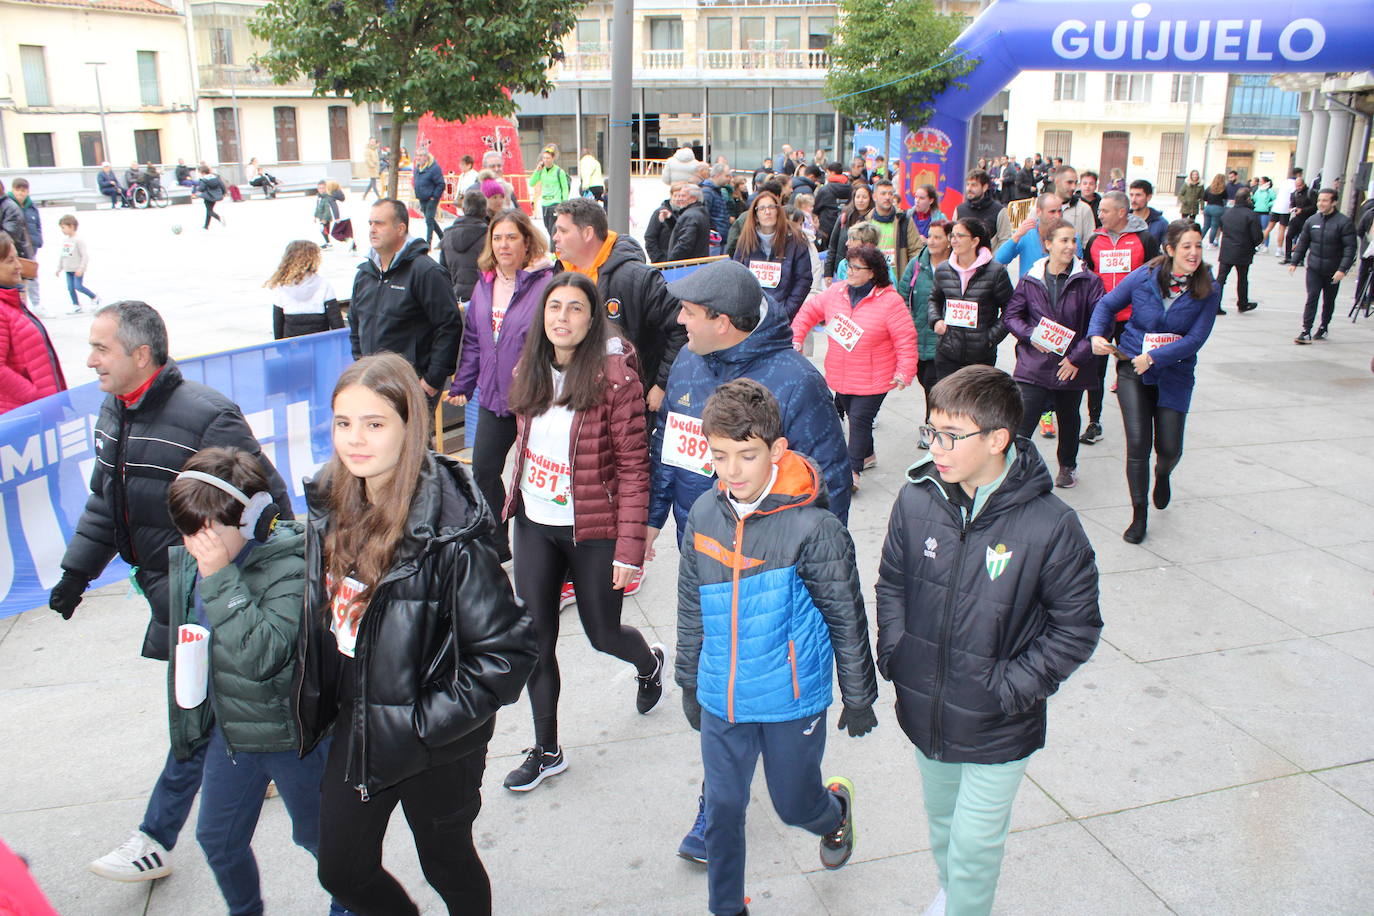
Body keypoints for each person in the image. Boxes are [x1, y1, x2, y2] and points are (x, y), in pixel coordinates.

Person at [51, 301, 291, 882]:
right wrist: (75, 574)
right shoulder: (114, 409)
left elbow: (269, 506)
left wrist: (246, 587)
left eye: (100, 349)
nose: (90, 361)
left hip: (209, 591)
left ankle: (155, 838)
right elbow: (104, 503)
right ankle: (260, 763)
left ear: (140, 354)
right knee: (212, 711)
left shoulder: (209, 417)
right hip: (164, 588)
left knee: (195, 710)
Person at [300, 352, 536, 915]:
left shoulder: (450, 528)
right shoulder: (327, 503)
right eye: (343, 423)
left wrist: (418, 723)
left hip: (435, 745)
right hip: (354, 724)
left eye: (374, 423)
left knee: (446, 861)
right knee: (342, 870)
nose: (355, 439)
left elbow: (508, 653)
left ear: (410, 425)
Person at [875, 364, 1101, 916]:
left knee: (975, 844)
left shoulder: (1052, 526)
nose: (938, 447)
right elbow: (892, 583)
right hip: (926, 705)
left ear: (998, 439)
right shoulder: (916, 498)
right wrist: (898, 653)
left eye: (951, 436)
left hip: (999, 720)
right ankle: (953, 894)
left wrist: (1007, 688)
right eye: (931, 431)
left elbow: (1077, 627)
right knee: (944, 824)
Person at [677, 378, 878, 916]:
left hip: (791, 700)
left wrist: (859, 696)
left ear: (777, 450)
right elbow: (691, 605)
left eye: (747, 456)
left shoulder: (815, 529)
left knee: (794, 804)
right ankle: (727, 908)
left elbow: (846, 616)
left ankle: (833, 813)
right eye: (721, 456)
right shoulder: (702, 515)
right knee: (722, 807)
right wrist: (689, 679)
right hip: (723, 697)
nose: (733, 471)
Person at [163, 447, 347, 916]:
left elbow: (260, 654)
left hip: (290, 735)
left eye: (206, 533)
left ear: (251, 521)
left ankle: (351, 905)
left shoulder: (290, 564)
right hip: (233, 733)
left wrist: (219, 577)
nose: (194, 545)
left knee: (320, 839)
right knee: (218, 840)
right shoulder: (205, 557)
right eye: (187, 533)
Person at [501, 272, 665, 791]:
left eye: (575, 308)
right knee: (535, 640)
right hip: (534, 525)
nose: (562, 317)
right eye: (555, 307)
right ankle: (547, 749)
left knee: (602, 633)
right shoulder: (529, 368)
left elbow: (637, 467)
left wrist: (630, 548)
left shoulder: (615, 379)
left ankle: (647, 661)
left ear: (592, 320)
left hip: (593, 528)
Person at [1088, 220, 1219, 543]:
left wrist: (1156, 357)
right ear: (1170, 249)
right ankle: (1139, 515)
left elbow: (1196, 338)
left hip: (1174, 373)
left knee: (1170, 449)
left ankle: (1163, 473)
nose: (1194, 253)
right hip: (1133, 366)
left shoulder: (1208, 288)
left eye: (1198, 246)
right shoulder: (1144, 276)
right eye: (1187, 246)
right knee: (1138, 445)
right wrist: (1095, 335)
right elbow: (1107, 304)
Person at [446, 207, 554, 562]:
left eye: (512, 237)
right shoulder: (484, 284)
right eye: (498, 238)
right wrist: (463, 383)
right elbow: (476, 339)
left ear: (527, 242)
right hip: (494, 398)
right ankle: (497, 545)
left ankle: (543, 547)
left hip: (535, 399)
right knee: (484, 470)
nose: (504, 245)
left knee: (536, 476)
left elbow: (556, 340)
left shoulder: (544, 284)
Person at [790, 244, 917, 490]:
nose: (850, 271)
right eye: (849, 266)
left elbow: (905, 338)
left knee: (859, 419)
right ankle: (867, 455)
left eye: (857, 268)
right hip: (841, 373)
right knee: (851, 413)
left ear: (872, 272)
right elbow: (808, 312)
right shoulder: (835, 293)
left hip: (876, 376)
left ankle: (852, 471)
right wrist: (797, 337)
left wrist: (904, 371)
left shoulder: (890, 301)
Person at [551, 197, 685, 421]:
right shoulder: (561, 272)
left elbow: (680, 325)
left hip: (625, 406)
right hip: (577, 398)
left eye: (563, 231)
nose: (555, 237)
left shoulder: (635, 278)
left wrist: (662, 383)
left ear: (587, 233)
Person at [1004, 217, 1104, 489]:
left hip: (1071, 365)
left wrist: (1077, 358)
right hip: (1034, 364)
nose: (1071, 246)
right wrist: (1030, 335)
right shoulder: (1031, 279)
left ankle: (1067, 467)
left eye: (1073, 240)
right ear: (1047, 244)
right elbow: (1012, 316)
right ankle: (1016, 472)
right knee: (1023, 423)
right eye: (1064, 240)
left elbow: (1098, 324)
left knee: (1069, 419)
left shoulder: (1090, 281)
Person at [350, 199, 462, 405]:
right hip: (373, 383)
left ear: (401, 228)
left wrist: (431, 380)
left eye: (379, 223)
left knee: (410, 439)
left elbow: (449, 326)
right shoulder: (364, 275)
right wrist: (361, 364)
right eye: (370, 223)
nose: (372, 229)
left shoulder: (425, 272)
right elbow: (355, 323)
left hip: (412, 387)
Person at [1079, 191, 1160, 447]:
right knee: (1096, 371)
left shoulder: (1143, 238)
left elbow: (1155, 274)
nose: (1099, 215)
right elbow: (1089, 274)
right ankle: (1094, 421)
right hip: (1103, 315)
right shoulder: (1095, 240)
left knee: (1131, 370)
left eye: (1104, 211)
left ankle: (1140, 420)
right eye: (1099, 210)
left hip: (1133, 318)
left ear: (1121, 213)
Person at [928, 216, 1013, 380]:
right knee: (947, 403)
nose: (954, 240)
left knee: (975, 404)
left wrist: (990, 338)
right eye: (952, 236)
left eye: (960, 236)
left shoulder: (995, 272)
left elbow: (1011, 308)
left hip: (980, 356)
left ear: (974, 241)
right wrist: (936, 320)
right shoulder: (943, 269)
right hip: (947, 352)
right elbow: (934, 299)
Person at [1, 230, 65, 411]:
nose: (18, 266)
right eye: (10, 261)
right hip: (21, 413)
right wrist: (36, 397)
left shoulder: (10, 302)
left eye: (17, 258)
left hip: (37, 409)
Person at [897, 218, 949, 425]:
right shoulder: (917, 264)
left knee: (936, 384)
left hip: (945, 338)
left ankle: (933, 423)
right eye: (930, 236)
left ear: (949, 241)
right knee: (926, 380)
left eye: (938, 237)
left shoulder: (956, 267)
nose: (932, 241)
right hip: (919, 333)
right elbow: (902, 295)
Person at [1288, 188, 1357, 344]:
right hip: (1314, 268)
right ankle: (1306, 331)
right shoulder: (1312, 221)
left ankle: (1324, 326)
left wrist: (1342, 269)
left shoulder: (1343, 222)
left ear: (1334, 202)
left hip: (1333, 270)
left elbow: (1350, 249)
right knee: (1312, 297)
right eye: (1319, 200)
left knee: (1329, 300)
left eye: (1325, 200)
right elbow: (1303, 243)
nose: (1321, 203)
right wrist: (1294, 261)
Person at [731, 189, 813, 322]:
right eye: (762, 208)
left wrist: (786, 311)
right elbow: (738, 277)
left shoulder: (796, 239)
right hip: (751, 316)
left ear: (778, 211)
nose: (767, 212)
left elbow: (803, 279)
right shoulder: (745, 240)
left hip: (783, 315)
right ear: (756, 215)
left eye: (771, 207)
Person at [266, 240, 342, 339]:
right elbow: (336, 321)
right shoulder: (323, 285)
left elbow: (278, 323)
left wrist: (280, 347)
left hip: (292, 346)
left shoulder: (281, 287)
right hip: (320, 344)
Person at [1216, 187, 1264, 315]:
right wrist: (1253, 245)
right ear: (1248, 199)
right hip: (1243, 250)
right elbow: (1257, 237)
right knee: (1242, 278)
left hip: (1227, 250)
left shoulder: (1227, 213)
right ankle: (1242, 303)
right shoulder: (1251, 215)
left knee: (1221, 279)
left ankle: (1215, 305)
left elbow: (1222, 228)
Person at [439, 188, 490, 305]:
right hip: (483, 298)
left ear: (463, 209)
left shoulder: (446, 236)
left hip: (455, 297)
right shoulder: (490, 236)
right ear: (485, 211)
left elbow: (442, 273)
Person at [994, 192, 1063, 277]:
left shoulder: (1070, 235)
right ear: (1038, 212)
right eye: (1052, 212)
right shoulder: (1026, 233)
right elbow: (1000, 259)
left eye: (1060, 211)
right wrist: (1017, 236)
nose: (1057, 216)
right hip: (1029, 288)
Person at [868, 179, 924, 278]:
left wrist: (911, 276)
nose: (887, 197)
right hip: (872, 279)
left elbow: (916, 251)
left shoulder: (904, 220)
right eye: (883, 194)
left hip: (898, 281)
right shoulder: (866, 221)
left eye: (890, 194)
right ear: (874, 197)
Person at [825, 183, 874, 280]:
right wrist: (828, 272)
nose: (860, 200)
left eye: (864, 197)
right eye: (858, 197)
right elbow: (833, 246)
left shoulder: (873, 220)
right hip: (842, 269)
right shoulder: (844, 218)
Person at [6, 179, 42, 313]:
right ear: (13, 190)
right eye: (18, 190)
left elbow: (37, 225)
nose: (21, 193)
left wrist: (38, 240)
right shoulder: (9, 205)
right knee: (17, 282)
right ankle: (21, 308)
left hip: (30, 248)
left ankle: (35, 305)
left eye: (24, 190)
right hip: (14, 250)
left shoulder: (31, 206)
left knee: (31, 278)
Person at [55, 215, 99, 314]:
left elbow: (85, 256)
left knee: (78, 286)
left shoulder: (78, 240)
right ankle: (76, 304)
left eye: (63, 227)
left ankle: (94, 297)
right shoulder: (66, 241)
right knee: (70, 288)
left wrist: (81, 268)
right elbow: (63, 255)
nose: (62, 230)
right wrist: (59, 268)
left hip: (77, 269)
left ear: (72, 226)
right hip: (68, 269)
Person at [956, 169, 1009, 249]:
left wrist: (994, 260)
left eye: (974, 185)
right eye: (967, 185)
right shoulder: (959, 210)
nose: (969, 189)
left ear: (985, 187)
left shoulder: (999, 211)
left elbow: (1005, 240)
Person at [528, 146, 572, 240]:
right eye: (544, 158)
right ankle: (555, 246)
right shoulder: (541, 171)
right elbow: (531, 183)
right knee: (547, 227)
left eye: (548, 158)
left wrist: (564, 203)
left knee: (554, 229)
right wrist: (537, 171)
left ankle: (554, 249)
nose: (545, 160)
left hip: (555, 203)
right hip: (545, 204)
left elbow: (564, 188)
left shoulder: (559, 171)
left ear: (553, 158)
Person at [667, 183, 713, 262]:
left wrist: (671, 260)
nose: (679, 199)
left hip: (687, 266)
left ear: (693, 199)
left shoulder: (690, 216)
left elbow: (685, 243)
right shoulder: (700, 212)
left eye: (683, 196)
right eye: (679, 195)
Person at [1051, 166, 1095, 247]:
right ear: (1057, 181)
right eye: (1069, 182)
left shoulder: (1084, 209)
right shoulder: (1041, 205)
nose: (1073, 187)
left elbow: (1089, 244)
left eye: (1075, 183)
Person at [813, 162, 852, 250]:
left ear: (831, 173)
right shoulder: (851, 188)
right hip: (845, 226)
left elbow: (815, 209)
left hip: (826, 228)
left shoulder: (825, 190)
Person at [412, 150, 447, 247]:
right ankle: (443, 237)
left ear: (426, 157)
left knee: (429, 220)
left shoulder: (434, 168)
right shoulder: (417, 168)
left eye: (421, 155)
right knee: (430, 219)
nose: (418, 158)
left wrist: (434, 196)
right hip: (422, 198)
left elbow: (441, 184)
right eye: (417, 155)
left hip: (431, 198)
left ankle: (428, 243)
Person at [1284, 172, 1318, 264]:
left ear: (1303, 184)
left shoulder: (1310, 193)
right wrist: (1292, 208)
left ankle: (1301, 258)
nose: (1298, 188)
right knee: (1288, 236)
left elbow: (1314, 207)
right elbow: (1292, 203)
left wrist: (1302, 210)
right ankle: (1287, 256)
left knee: (1303, 239)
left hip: (1307, 219)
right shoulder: (1294, 193)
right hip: (1297, 218)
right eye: (1296, 186)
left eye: (1300, 186)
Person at [1128, 179, 1168, 247]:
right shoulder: (1122, 220)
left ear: (1148, 197)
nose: (1133, 200)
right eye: (1131, 195)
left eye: (1138, 195)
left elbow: (1167, 248)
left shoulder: (1161, 223)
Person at [699, 163, 731, 242]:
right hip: (714, 240)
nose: (729, 179)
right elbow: (703, 216)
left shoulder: (717, 191)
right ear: (718, 175)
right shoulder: (707, 192)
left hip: (719, 238)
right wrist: (715, 233)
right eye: (726, 176)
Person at [194, 165, 227, 230]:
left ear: (203, 172)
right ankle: (206, 225)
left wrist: (197, 190)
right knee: (209, 210)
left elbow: (202, 188)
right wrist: (224, 192)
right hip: (215, 196)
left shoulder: (204, 179)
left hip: (208, 196)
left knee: (209, 211)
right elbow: (222, 185)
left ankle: (219, 218)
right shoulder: (215, 177)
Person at [1201, 174, 1227, 247]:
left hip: (1208, 207)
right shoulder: (1223, 189)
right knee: (1214, 226)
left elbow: (1204, 198)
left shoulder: (1209, 188)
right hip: (1218, 208)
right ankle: (1210, 243)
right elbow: (1225, 198)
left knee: (1205, 226)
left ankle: (1199, 240)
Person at [313, 180, 338, 249]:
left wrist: (325, 218)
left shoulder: (326, 197)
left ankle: (328, 243)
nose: (321, 190)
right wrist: (315, 216)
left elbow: (327, 209)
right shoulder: (320, 197)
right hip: (321, 217)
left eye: (323, 188)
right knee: (323, 230)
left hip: (326, 218)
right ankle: (327, 242)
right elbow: (317, 207)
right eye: (319, 188)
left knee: (324, 230)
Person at [1251, 176, 1275, 246]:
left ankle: (1266, 245)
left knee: (1265, 229)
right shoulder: (1258, 190)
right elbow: (1255, 199)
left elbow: (1275, 199)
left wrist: (1268, 204)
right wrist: (1252, 197)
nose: (1259, 183)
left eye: (1261, 181)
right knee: (1257, 228)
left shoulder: (1270, 191)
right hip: (1256, 210)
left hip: (1265, 212)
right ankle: (1257, 244)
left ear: (1265, 182)